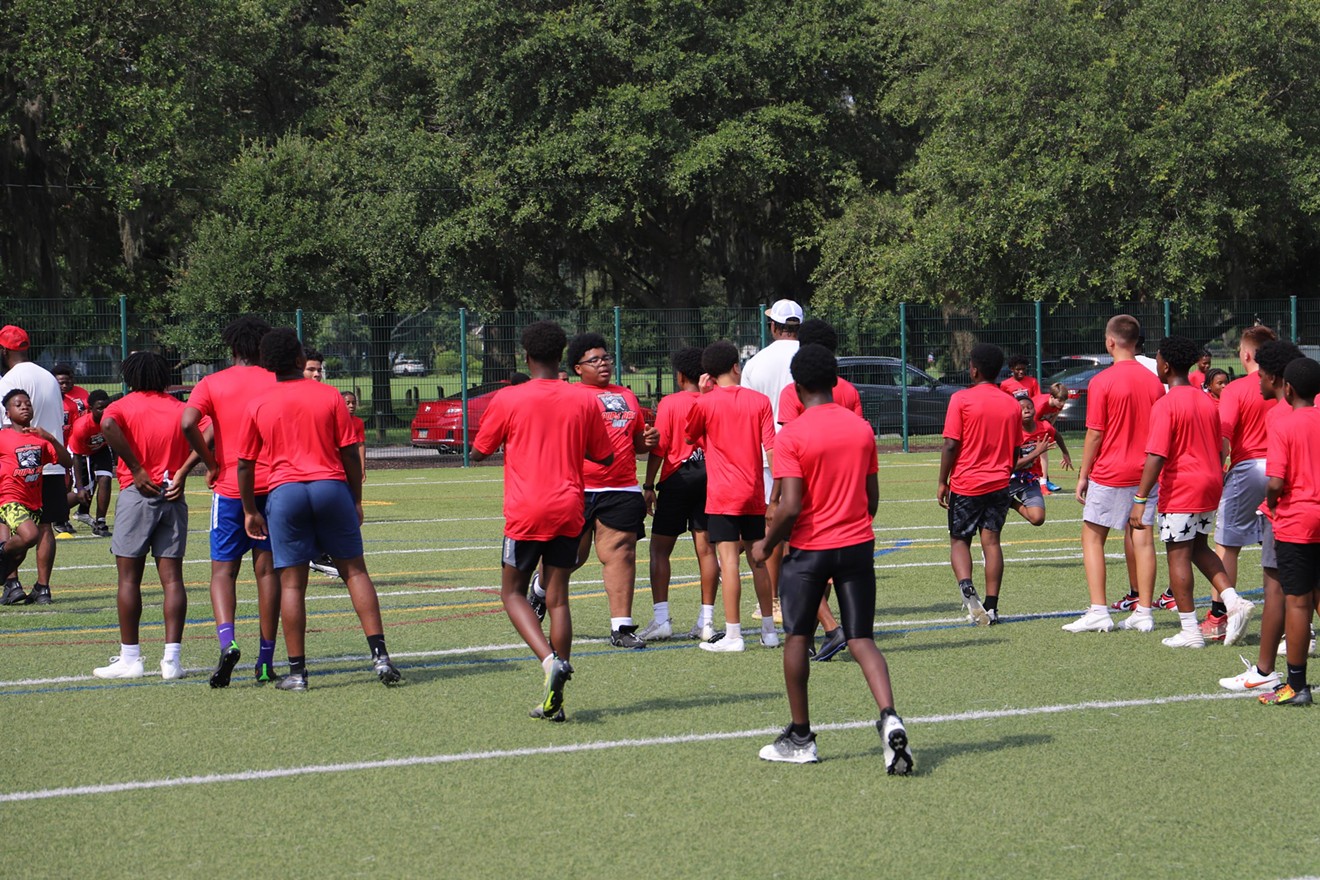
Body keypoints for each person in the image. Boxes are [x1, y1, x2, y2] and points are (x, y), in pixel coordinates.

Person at [750, 344, 912, 773]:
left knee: (797, 639)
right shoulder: (860, 428)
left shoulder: (793, 435)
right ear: (835, 381)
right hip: (857, 543)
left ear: (797, 387)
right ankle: (889, 715)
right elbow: (872, 498)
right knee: (862, 639)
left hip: (809, 552)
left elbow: (790, 506)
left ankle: (801, 736)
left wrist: (766, 545)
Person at [237, 328, 401, 691]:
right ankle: (380, 656)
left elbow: (245, 464)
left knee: (292, 584)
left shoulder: (259, 403)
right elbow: (348, 453)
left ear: (266, 365)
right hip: (330, 487)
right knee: (355, 572)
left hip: (285, 493)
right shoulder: (329, 397)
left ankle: (297, 673)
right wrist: (355, 499)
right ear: (300, 360)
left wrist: (250, 509)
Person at [471, 321, 613, 721]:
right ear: (561, 355)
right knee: (559, 598)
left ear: (526, 356)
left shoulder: (509, 398)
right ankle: (557, 700)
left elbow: (479, 451)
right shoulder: (584, 400)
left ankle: (550, 662)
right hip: (570, 506)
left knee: (512, 593)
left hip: (526, 509)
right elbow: (603, 456)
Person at [1128, 337, 1253, 649]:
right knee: (1198, 547)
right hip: (1210, 482)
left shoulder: (1166, 404)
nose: (1155, 365)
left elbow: (1156, 455)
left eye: (1157, 360)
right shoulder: (1206, 401)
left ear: (1166, 365)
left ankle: (1190, 631)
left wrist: (1140, 499)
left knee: (1177, 554)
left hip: (1183, 486)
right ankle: (1234, 601)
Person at [181, 316, 283, 687]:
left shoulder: (212, 382)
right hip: (274, 485)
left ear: (232, 348)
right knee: (268, 572)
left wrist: (210, 463)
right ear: (262, 347)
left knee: (222, 572)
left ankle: (228, 641)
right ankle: (267, 660)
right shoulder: (277, 380)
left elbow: (188, 422)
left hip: (229, 488)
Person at [93, 352, 203, 680]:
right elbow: (210, 432)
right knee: (173, 580)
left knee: (129, 579)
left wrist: (138, 468)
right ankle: (172, 660)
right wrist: (184, 471)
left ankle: (131, 659)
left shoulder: (124, 405)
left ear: (130, 376)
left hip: (138, 495)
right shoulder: (180, 407)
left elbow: (107, 424)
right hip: (173, 494)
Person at [1068, 315, 1166, 633]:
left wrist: (1083, 474)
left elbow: (1095, 433)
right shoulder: (1153, 382)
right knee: (1143, 539)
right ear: (1136, 341)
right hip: (1146, 472)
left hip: (1111, 471)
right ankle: (1144, 611)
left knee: (1093, 537)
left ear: (1110, 341)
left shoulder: (1102, 381)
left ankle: (1098, 609)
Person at [775, 318, 864, 661]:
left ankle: (830, 627)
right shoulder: (849, 390)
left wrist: (775, 498)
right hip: (846, 488)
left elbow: (789, 444)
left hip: (806, 486)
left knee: (797, 558)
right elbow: (859, 433)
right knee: (826, 560)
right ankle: (811, 636)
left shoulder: (794, 390)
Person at [1219, 340, 1304, 693]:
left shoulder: (1280, 416)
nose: (1257, 383)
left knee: (1275, 588)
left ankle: (1265, 670)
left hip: (1289, 514)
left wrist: (1269, 503)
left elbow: (1278, 478)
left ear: (1277, 379)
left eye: (1262, 377)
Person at [565, 332, 659, 648]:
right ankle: (539, 590)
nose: (604, 364)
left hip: (620, 487)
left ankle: (621, 627)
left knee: (621, 553)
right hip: (577, 487)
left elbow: (634, 441)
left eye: (606, 358)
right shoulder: (569, 397)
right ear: (578, 368)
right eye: (595, 360)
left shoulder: (627, 396)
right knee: (569, 557)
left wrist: (644, 442)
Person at [685, 340, 778, 652]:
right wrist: (776, 490)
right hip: (753, 492)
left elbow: (689, 434)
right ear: (737, 366)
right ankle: (769, 631)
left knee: (728, 563)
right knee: (759, 562)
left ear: (709, 375)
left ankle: (734, 635)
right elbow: (771, 447)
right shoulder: (760, 401)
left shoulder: (705, 403)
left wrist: (701, 395)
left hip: (723, 495)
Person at [938, 343, 1023, 624]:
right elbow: (1014, 450)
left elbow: (951, 444)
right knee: (992, 542)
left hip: (967, 483)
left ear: (973, 369)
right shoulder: (1011, 403)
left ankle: (965, 584)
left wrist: (942, 481)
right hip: (999, 483)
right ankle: (993, 605)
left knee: (960, 539)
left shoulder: (961, 400)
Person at [639, 347, 718, 641]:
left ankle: (661, 618)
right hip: (711, 476)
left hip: (677, 478)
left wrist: (649, 486)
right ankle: (706, 621)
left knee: (660, 549)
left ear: (680, 374)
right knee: (707, 550)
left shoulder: (671, 403)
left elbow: (659, 448)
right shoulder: (714, 400)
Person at [1203, 326, 1276, 643]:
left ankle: (1219, 615)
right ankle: (1288, 617)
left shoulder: (1235, 390)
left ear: (1245, 354)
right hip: (1285, 470)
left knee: (1227, 543)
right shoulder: (1288, 385)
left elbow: (1224, 436)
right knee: (1280, 547)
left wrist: (1217, 469)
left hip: (1248, 468)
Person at [1259, 356, 1320, 705]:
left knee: (1298, 602)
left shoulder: (1285, 424)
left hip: (1297, 519)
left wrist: (1272, 501)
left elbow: (1276, 480)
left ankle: (1297, 686)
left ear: (1288, 389)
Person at [739, 298, 803, 625]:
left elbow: (747, 412)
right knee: (804, 527)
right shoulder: (811, 357)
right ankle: (801, 597)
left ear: (774, 327)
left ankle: (775, 600)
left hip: (769, 454)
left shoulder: (756, 363)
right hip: (810, 451)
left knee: (773, 525)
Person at [0, 324, 69, 604]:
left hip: (18, 466)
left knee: (5, 519)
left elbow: (5, 426)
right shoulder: (50, 378)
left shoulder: (8, 381)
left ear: (4, 350)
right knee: (46, 526)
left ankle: (12, 582)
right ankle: (43, 587)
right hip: (50, 462)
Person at [1009, 394, 1070, 526]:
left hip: (1029, 479)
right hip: (1007, 481)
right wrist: (1036, 452)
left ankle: (1011, 502)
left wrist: (1065, 453)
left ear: (1035, 410)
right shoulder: (1011, 431)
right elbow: (1011, 466)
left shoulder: (1044, 427)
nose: (1026, 410)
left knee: (1038, 518)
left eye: (1029, 407)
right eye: (1022, 408)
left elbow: (1057, 435)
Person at [67, 389, 114, 538]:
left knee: (106, 480)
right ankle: (52, 513)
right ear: (90, 409)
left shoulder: (113, 420)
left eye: (107, 407)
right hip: (81, 453)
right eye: (100, 408)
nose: (104, 411)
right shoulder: (82, 427)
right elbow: (76, 456)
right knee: (83, 493)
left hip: (101, 449)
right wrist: (80, 486)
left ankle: (100, 522)